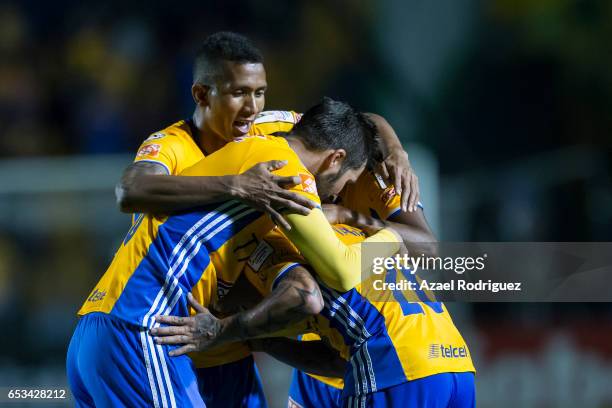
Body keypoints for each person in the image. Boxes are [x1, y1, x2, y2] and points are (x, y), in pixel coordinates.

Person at [115, 31, 428, 407]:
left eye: (259, 93)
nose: (252, 106)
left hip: (225, 345)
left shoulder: (268, 130)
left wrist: (395, 148)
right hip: (169, 326)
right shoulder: (173, 144)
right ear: (202, 95)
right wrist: (234, 185)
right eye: (239, 93)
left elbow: (357, 121)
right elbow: (130, 191)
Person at [67, 97, 402, 407]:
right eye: (345, 184)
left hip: (99, 328)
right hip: (142, 327)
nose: (335, 198)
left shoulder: (261, 143)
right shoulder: (285, 171)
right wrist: (393, 237)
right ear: (335, 159)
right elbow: (341, 271)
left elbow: (359, 120)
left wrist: (394, 148)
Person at [153, 223, 476, 408]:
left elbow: (302, 295)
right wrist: (260, 340)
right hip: (457, 365)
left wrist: (225, 329)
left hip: (394, 361)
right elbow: (336, 362)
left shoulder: (267, 249)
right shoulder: (346, 234)